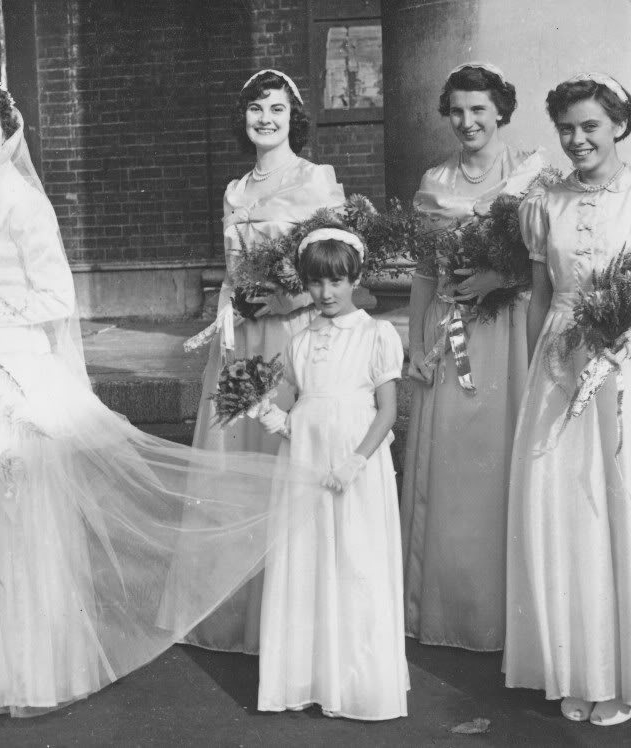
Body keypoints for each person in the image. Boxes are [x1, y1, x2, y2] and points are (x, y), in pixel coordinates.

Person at [0, 77, 329, 719]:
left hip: (12, 372)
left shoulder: (24, 203)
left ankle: (15, 669)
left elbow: (55, 298)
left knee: (5, 520)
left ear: (7, 133)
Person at [504, 73, 631, 726]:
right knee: (563, 511)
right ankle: (570, 667)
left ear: (619, 125)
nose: (577, 138)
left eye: (589, 126)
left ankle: (619, 673)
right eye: (566, 129)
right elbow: (542, 297)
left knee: (615, 507)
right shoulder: (543, 203)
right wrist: (534, 378)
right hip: (558, 363)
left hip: (624, 367)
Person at [185, 70, 345, 654]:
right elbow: (232, 271)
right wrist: (231, 306)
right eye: (255, 109)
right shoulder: (234, 190)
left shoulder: (316, 180)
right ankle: (236, 614)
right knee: (235, 467)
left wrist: (282, 297)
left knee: (286, 463)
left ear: (293, 117)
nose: (266, 119)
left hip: (291, 336)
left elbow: (337, 273)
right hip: (241, 341)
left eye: (276, 109)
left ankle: (293, 617)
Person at [399, 62, 545, 651]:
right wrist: (414, 343)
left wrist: (498, 277)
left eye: (479, 109)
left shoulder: (529, 173)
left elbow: (546, 258)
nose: (467, 121)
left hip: (506, 325)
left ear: (500, 111)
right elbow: (425, 272)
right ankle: (445, 609)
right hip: (448, 326)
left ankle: (505, 615)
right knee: (449, 466)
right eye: (457, 110)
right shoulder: (434, 181)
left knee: (500, 460)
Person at [255, 227, 408, 720]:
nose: (326, 293)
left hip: (355, 465)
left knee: (355, 559)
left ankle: (359, 682)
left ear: (356, 279)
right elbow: (299, 413)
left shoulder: (376, 334)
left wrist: (357, 460)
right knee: (309, 557)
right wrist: (272, 417)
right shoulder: (298, 341)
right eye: (316, 283)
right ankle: (311, 676)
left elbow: (387, 411)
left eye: (337, 282)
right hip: (306, 462)